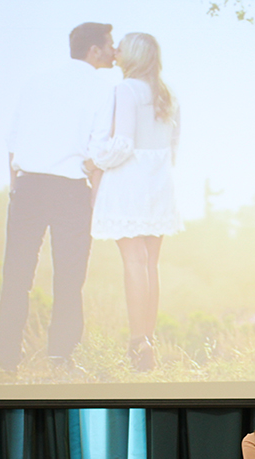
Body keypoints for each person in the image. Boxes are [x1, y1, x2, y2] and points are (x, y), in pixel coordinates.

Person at [0, 22, 116, 375]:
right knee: (69, 278)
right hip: (70, 190)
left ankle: (5, 359)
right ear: (94, 50)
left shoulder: (36, 81)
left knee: (16, 274)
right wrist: (96, 197)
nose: (114, 51)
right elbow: (98, 151)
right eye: (109, 44)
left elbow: (12, 141)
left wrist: (14, 187)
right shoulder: (103, 89)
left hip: (27, 187)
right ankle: (60, 358)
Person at [87, 32, 181, 372]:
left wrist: (95, 160)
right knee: (150, 264)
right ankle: (147, 339)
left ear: (134, 56)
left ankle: (137, 341)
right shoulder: (167, 94)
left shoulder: (125, 90)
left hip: (130, 182)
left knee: (133, 262)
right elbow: (174, 146)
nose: (117, 49)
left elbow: (123, 145)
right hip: (159, 183)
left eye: (122, 46)